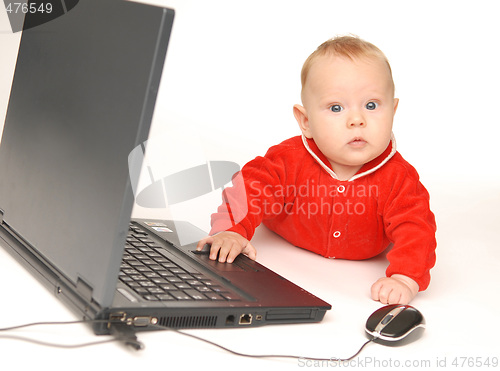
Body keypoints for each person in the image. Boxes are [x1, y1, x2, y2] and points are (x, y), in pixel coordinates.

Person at [196, 35, 436, 305]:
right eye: (336, 107)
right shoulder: (288, 160)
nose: (357, 120)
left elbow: (416, 230)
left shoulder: (399, 178)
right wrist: (231, 230)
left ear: (393, 111)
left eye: (371, 105)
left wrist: (405, 277)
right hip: (286, 264)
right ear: (306, 121)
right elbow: (250, 189)